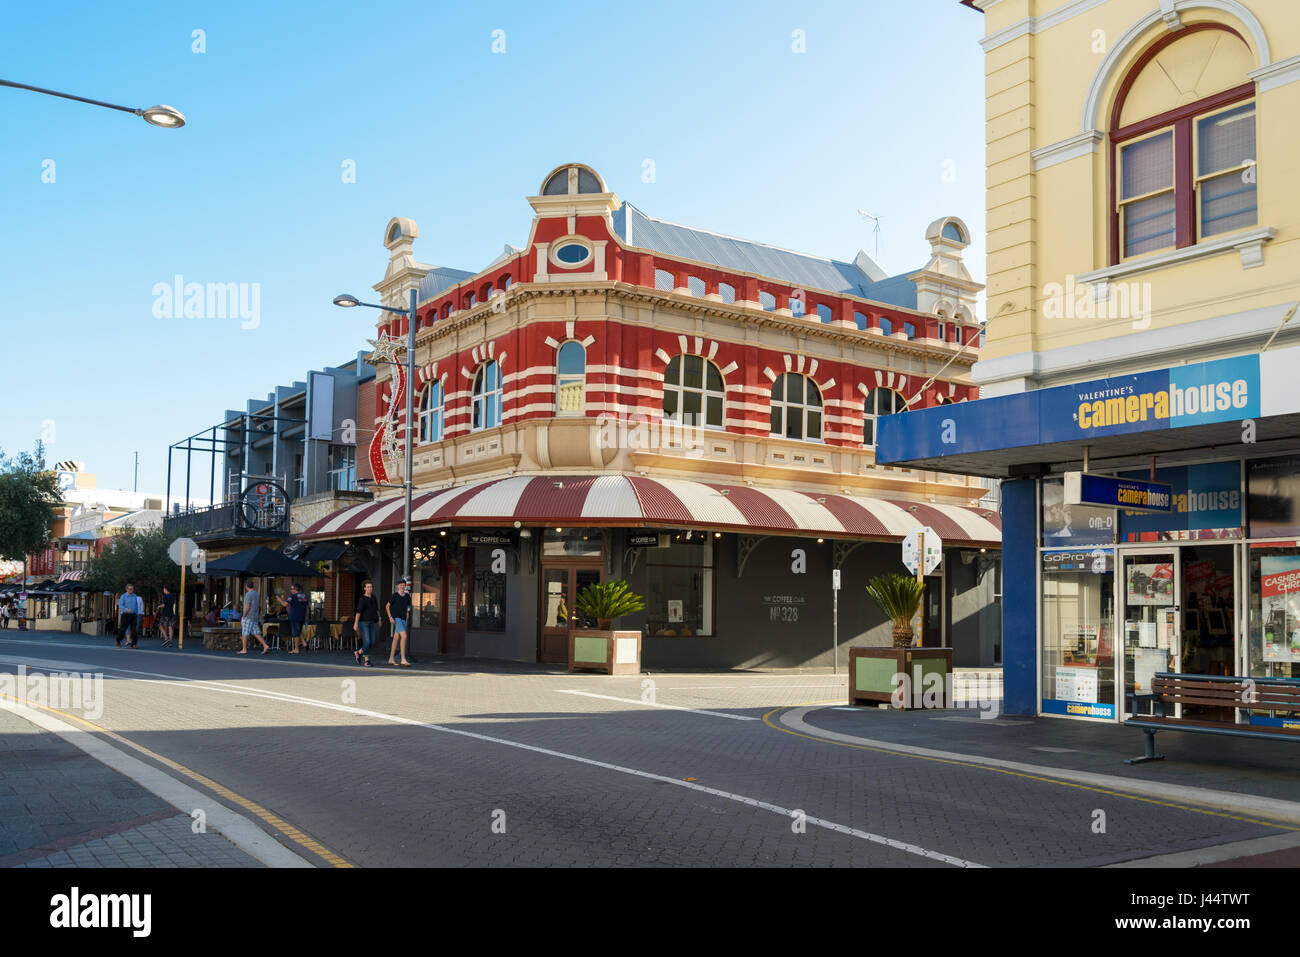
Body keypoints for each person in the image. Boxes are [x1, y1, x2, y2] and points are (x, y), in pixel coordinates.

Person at [237, 580, 271, 655]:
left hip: (248, 616)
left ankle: (244, 649)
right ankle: (265, 645)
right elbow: (259, 606)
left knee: (244, 632)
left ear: (246, 586)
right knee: (255, 632)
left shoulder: (248, 594)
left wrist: (244, 615)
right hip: (255, 616)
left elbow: (248, 606)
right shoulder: (257, 594)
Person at [386, 578, 413, 667]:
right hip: (396, 619)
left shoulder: (407, 596)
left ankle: (391, 659)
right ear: (398, 586)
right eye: (400, 585)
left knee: (395, 639)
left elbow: (408, 606)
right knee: (404, 636)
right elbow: (387, 606)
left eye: (403, 585)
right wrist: (390, 617)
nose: (402, 586)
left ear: (405, 586)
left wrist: (408, 613)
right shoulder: (394, 595)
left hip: (404, 619)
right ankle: (403, 659)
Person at [352, 580, 379, 668]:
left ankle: (358, 652)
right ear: (364, 588)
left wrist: (380, 618)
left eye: (371, 587)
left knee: (372, 642)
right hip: (363, 623)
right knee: (367, 642)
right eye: (368, 587)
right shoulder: (362, 599)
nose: (370, 588)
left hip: (372, 622)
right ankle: (367, 661)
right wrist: (355, 623)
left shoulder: (374, 597)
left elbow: (377, 609)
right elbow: (358, 612)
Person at [277, 583, 310, 654]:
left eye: (292, 589)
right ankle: (304, 643)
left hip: (295, 617)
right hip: (302, 617)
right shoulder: (304, 596)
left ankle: (296, 649)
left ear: (295, 589)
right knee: (299, 631)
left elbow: (284, 605)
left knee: (295, 633)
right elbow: (307, 607)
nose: (291, 590)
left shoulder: (292, 596)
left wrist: (279, 599)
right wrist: (307, 616)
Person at [117, 584, 144, 648]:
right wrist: (126, 609)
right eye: (129, 589)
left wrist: (136, 613)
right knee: (123, 630)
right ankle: (118, 640)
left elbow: (136, 606)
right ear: (126, 589)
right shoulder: (123, 596)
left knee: (134, 630)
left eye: (131, 589)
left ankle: (134, 644)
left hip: (133, 615)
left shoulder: (134, 596)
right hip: (125, 615)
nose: (130, 590)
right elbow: (120, 606)